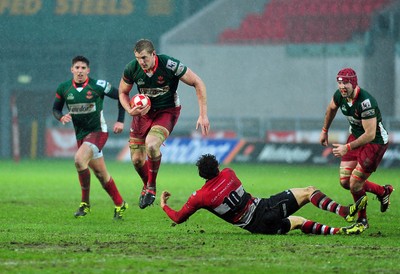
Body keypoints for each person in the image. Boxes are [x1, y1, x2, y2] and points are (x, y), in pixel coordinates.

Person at [160, 154, 367, 236]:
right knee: (309, 191)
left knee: (297, 221)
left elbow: (178, 218)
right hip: (265, 207)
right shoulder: (229, 173)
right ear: (217, 167)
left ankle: (340, 231)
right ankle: (345, 212)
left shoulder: (200, 197)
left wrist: (164, 205)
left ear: (201, 174)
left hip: (258, 227)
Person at [118, 39, 210, 209]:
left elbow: (198, 82)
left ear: (153, 54)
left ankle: (151, 188)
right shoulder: (132, 68)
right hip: (142, 114)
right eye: (138, 58)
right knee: (137, 160)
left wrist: (203, 115)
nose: (141, 62)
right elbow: (123, 92)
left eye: (144, 57)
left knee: (152, 145)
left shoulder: (169, 64)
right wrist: (129, 110)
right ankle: (147, 185)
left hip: (166, 112)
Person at [52, 55, 128, 220]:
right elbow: (56, 109)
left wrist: (120, 121)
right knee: (101, 174)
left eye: (83, 68)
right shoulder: (64, 88)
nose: (80, 71)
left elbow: (121, 97)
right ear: (72, 69)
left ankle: (84, 204)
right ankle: (120, 203)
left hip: (98, 132)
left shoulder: (99, 85)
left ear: (88, 70)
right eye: (77, 68)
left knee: (79, 160)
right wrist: (61, 117)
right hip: (81, 135)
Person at [319, 67, 394, 229]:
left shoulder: (366, 102)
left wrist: (347, 147)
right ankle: (382, 191)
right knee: (345, 181)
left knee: (355, 184)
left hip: (375, 142)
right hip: (355, 137)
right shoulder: (340, 95)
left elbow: (370, 134)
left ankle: (362, 220)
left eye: (345, 83)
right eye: (340, 83)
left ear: (353, 82)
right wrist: (325, 131)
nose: (342, 87)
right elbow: (331, 108)